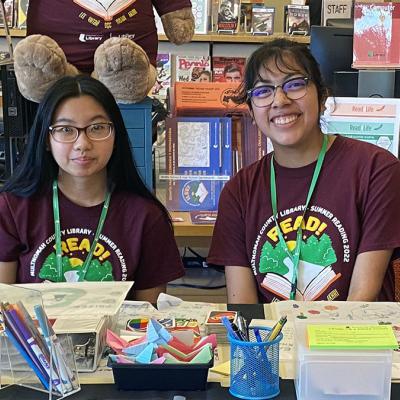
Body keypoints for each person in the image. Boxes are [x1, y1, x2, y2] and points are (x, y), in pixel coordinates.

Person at [207, 39, 400, 303]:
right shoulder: (239, 191)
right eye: (263, 91)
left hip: (355, 339)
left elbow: (363, 298)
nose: (280, 100)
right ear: (251, 111)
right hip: (274, 342)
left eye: (295, 84)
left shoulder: (376, 169)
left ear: (322, 98)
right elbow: (244, 309)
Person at [0, 75, 184, 302]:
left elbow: (147, 322)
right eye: (66, 129)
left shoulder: (146, 217)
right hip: (33, 338)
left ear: (116, 136)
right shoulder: (13, 208)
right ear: (47, 140)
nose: (82, 144)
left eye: (97, 128)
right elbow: (4, 313)